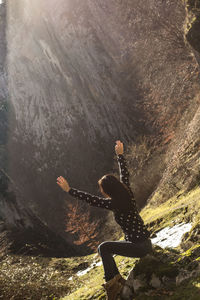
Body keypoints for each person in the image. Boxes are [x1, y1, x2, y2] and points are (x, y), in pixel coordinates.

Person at [57, 140, 152, 300]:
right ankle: (115, 279)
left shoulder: (114, 203)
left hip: (139, 248)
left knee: (104, 248)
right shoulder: (127, 193)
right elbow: (125, 175)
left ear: (107, 191)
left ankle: (113, 284)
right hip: (145, 243)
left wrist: (69, 190)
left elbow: (91, 199)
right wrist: (120, 155)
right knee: (105, 248)